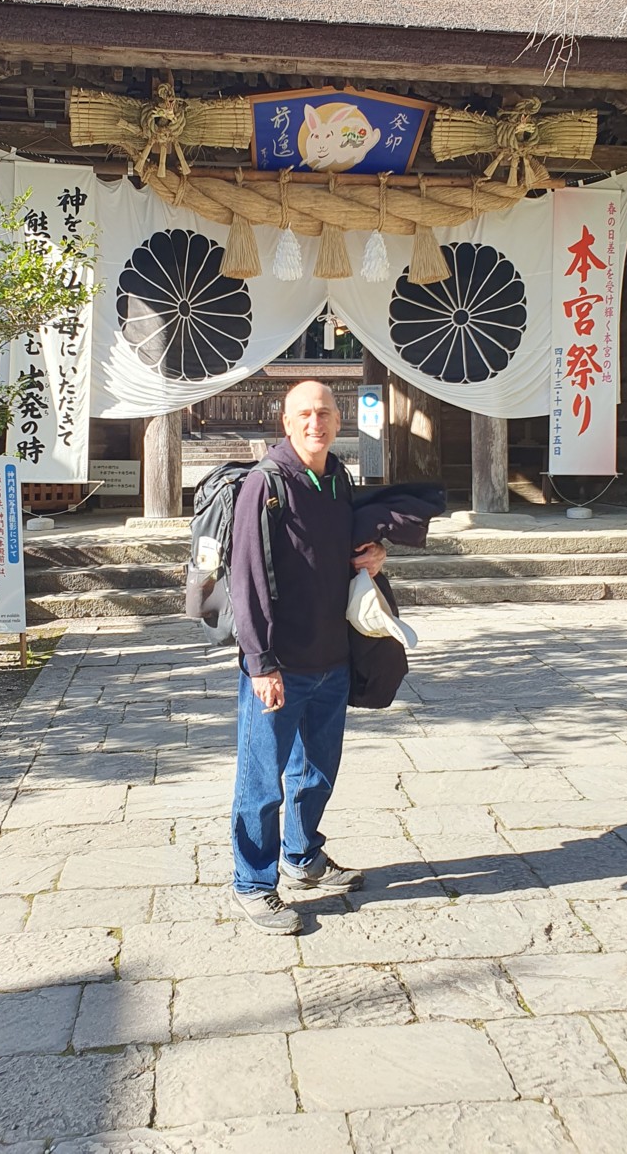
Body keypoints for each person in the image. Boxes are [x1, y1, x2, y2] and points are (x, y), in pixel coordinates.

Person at [229, 379, 386, 934]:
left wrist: (374, 555)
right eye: (304, 414)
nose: (315, 422)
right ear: (286, 422)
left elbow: (342, 551)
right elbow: (246, 579)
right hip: (281, 661)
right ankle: (253, 883)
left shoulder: (337, 478)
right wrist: (260, 662)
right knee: (261, 780)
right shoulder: (266, 483)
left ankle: (302, 855)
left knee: (317, 770)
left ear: (339, 421)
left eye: (324, 413)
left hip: (331, 655)